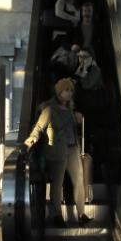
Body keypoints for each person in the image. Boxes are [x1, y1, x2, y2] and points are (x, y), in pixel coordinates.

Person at [24, 78, 91, 227]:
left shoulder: (70, 108)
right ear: (59, 91)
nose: (69, 94)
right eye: (66, 90)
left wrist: (77, 119)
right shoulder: (49, 108)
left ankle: (81, 214)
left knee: (79, 180)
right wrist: (28, 144)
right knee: (57, 184)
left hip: (73, 148)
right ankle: (57, 215)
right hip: (57, 151)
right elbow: (39, 128)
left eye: (71, 91)